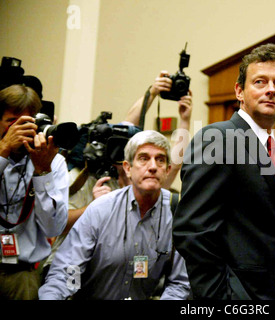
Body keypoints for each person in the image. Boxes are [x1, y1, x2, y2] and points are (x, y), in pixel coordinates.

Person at [39, 72, 193, 278]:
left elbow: (173, 164)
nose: (152, 165)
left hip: (117, 276)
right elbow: (55, 224)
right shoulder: (89, 177)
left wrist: (184, 121)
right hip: (71, 271)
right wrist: (94, 207)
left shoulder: (146, 182)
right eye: (141, 156)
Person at [173, 43, 275, 299]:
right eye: (260, 82)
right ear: (239, 91)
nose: (271, 90)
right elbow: (193, 231)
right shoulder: (219, 137)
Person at [39, 130, 190, 300]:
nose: (153, 166)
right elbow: (70, 269)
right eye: (144, 158)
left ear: (168, 170)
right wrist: (64, 294)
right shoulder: (101, 209)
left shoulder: (177, 212)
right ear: (128, 168)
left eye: (160, 160)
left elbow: (180, 282)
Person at [0, 84, 69, 300]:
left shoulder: (53, 162)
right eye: (12, 121)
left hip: (23, 275)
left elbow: (52, 228)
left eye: (26, 122)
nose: (19, 129)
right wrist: (3, 150)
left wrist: (42, 172)